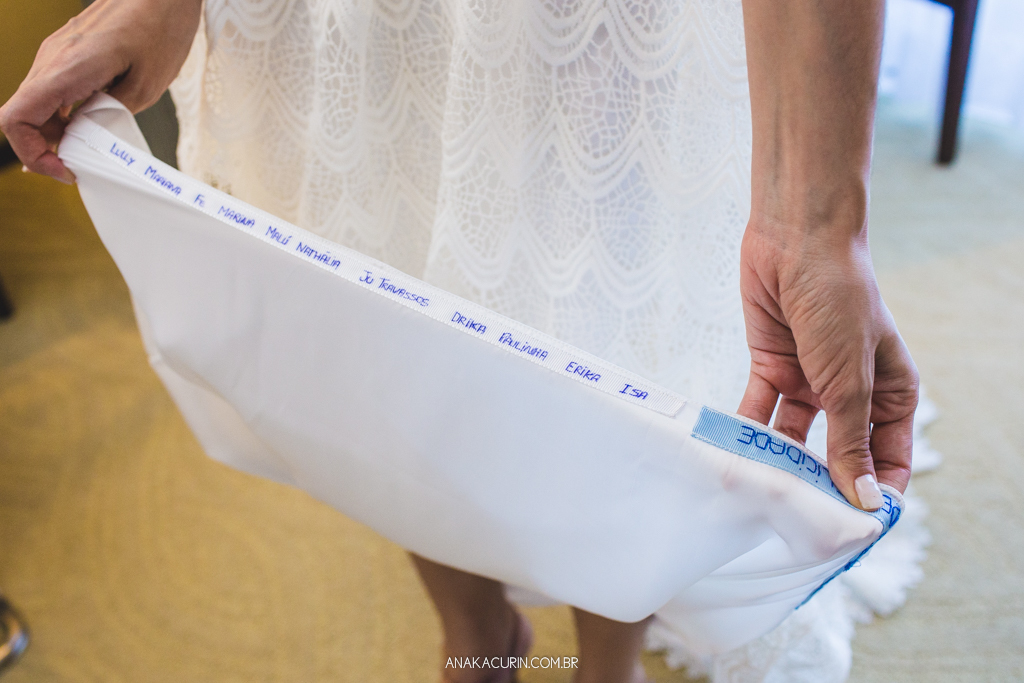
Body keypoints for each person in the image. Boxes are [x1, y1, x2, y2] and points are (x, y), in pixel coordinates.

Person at [0, 0, 919, 681]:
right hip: (334, 27)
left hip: (594, 29)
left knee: (619, 352)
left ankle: (606, 666)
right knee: (379, 336)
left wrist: (814, 225)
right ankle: (479, 633)